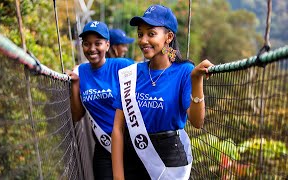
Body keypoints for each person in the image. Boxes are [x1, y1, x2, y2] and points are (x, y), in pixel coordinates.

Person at [111, 4, 213, 180]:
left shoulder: (184, 71)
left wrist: (196, 80)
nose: (143, 40)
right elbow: (118, 129)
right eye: (140, 34)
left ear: (169, 37)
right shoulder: (132, 74)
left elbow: (197, 122)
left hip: (170, 160)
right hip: (134, 158)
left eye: (151, 34)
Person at [66, 20, 133, 180]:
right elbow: (76, 116)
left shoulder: (122, 65)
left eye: (98, 43)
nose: (92, 49)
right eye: (87, 44)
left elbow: (152, 73)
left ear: (107, 45)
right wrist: (75, 85)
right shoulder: (80, 71)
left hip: (131, 144)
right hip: (104, 147)